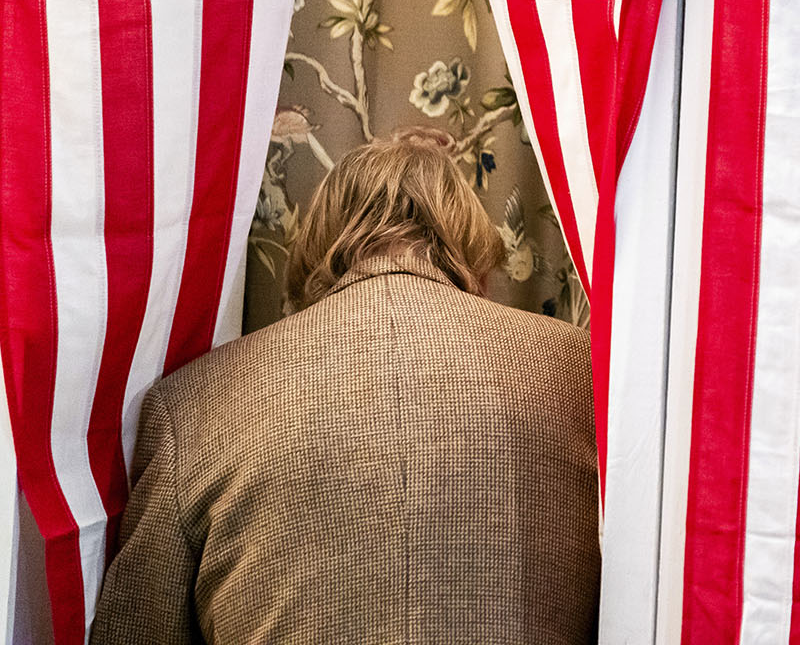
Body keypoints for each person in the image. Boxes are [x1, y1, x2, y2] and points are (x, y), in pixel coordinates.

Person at [91, 129, 600, 644]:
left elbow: (136, 631)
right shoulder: (584, 374)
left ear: (320, 242)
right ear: (469, 239)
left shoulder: (192, 404)